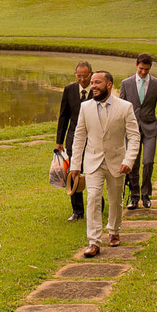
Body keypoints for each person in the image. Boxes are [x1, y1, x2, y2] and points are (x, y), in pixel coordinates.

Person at [68, 71, 140, 258]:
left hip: (117, 162)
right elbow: (79, 137)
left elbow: (134, 137)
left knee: (115, 199)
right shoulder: (85, 107)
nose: (93, 86)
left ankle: (114, 230)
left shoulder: (125, 107)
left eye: (97, 82)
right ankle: (94, 241)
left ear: (109, 85)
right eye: (92, 83)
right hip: (93, 161)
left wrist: (128, 161)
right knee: (92, 198)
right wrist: (75, 165)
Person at [120, 53, 157, 209]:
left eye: (147, 70)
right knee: (133, 164)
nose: (143, 72)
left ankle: (146, 195)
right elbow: (120, 108)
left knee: (148, 162)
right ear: (136, 65)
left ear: (150, 68)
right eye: (141, 69)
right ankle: (134, 196)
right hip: (132, 130)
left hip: (150, 128)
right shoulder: (126, 83)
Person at [55, 61, 92, 221]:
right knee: (74, 172)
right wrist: (59, 141)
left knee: (92, 173)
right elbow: (63, 116)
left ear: (91, 74)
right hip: (73, 138)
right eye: (79, 76)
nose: (82, 79)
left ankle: (98, 204)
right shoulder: (69, 90)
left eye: (85, 76)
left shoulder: (97, 89)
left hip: (93, 140)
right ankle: (77, 211)